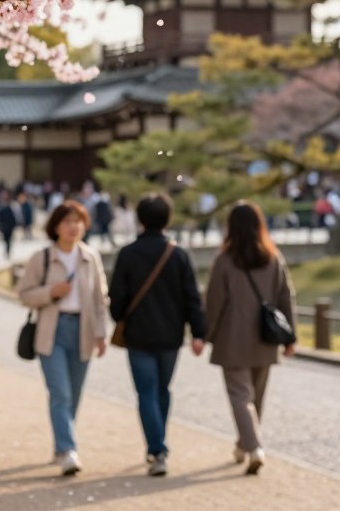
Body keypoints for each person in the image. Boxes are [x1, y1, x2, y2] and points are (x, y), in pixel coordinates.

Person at [108, 193, 206, 476]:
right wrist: (198, 332)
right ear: (168, 218)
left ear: (140, 219)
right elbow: (192, 298)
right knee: (163, 390)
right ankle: (159, 443)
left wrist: (120, 317)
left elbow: (117, 298)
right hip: (171, 335)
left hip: (138, 335)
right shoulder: (178, 254)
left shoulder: (128, 254)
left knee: (146, 392)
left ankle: (156, 448)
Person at [16, 200, 109, 477]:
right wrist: (50, 292)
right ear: (56, 226)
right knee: (61, 393)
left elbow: (100, 299)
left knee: (75, 395)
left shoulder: (90, 257)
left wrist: (101, 333)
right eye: (67, 221)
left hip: (83, 330)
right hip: (51, 331)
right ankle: (68, 450)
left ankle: (61, 445)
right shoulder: (42, 258)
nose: (73, 226)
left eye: (78, 221)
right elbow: (24, 294)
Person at [205, 201, 296, 476]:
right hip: (265, 337)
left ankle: (254, 447)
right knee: (255, 398)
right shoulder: (272, 258)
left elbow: (214, 301)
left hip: (232, 337)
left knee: (240, 396)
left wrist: (205, 334)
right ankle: (243, 445)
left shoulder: (224, 260)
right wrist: (291, 335)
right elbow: (285, 296)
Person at [0, 190, 20, 259]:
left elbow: (15, 216)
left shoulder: (13, 205)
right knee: (5, 239)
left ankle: (8, 250)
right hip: (4, 225)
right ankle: (6, 250)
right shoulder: (1, 206)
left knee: (9, 239)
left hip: (10, 225)